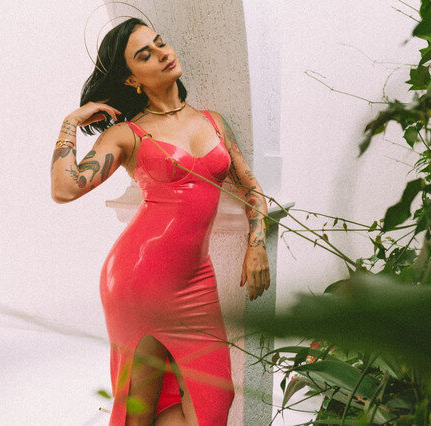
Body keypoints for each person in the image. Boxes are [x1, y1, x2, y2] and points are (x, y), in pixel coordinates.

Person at [50, 17, 271, 425]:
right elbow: (65, 189)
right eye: (145, 54)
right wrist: (69, 125)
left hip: (196, 281)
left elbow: (253, 190)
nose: (162, 53)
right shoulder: (127, 134)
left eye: (160, 43)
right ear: (131, 79)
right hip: (138, 281)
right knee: (138, 409)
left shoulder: (214, 122)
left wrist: (256, 245)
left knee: (213, 405)